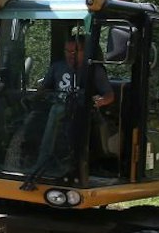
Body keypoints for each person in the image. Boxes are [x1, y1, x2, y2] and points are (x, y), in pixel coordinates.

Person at [19, 33, 115, 190]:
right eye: (67, 51)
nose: (71, 56)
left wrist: (98, 102)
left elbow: (109, 95)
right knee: (33, 117)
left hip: (82, 113)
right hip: (56, 108)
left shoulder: (94, 70)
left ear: (85, 52)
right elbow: (44, 90)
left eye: (75, 51)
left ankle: (46, 161)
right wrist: (29, 98)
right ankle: (26, 158)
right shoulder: (57, 67)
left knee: (57, 112)